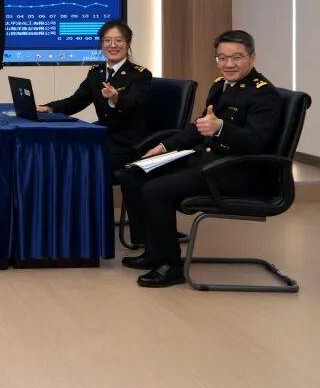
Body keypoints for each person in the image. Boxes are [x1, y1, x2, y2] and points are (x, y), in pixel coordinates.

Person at [119, 29, 281, 288]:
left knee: (155, 190)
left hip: (235, 170)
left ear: (252, 58)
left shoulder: (264, 94)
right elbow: (199, 127)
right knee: (134, 174)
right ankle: (153, 250)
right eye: (222, 58)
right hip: (207, 160)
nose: (229, 64)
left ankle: (171, 266)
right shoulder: (220, 85)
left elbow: (256, 143)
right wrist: (164, 146)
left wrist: (220, 128)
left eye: (237, 57)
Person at [38, 19, 152, 171]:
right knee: (64, 151)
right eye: (107, 40)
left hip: (127, 143)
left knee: (83, 161)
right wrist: (49, 108)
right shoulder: (96, 73)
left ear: (128, 43)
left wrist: (116, 98)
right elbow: (77, 101)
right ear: (101, 44)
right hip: (103, 136)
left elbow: (133, 103)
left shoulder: (140, 74)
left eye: (119, 40)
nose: (113, 45)